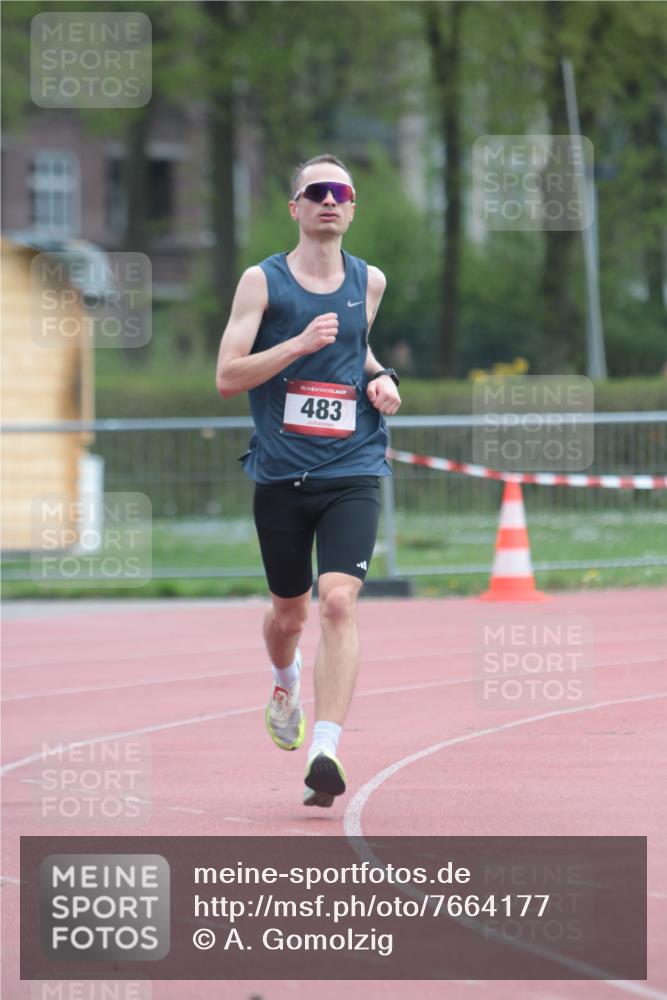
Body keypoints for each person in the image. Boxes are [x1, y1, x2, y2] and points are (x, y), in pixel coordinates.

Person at [215, 153, 401, 807]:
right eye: (314, 191)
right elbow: (227, 375)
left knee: (338, 603)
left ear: (352, 208)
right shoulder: (261, 283)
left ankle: (324, 747)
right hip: (280, 474)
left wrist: (381, 379)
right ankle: (283, 678)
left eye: (340, 191)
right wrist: (294, 345)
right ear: (294, 207)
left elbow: (359, 350)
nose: (328, 200)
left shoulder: (368, 280)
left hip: (352, 466)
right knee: (289, 614)